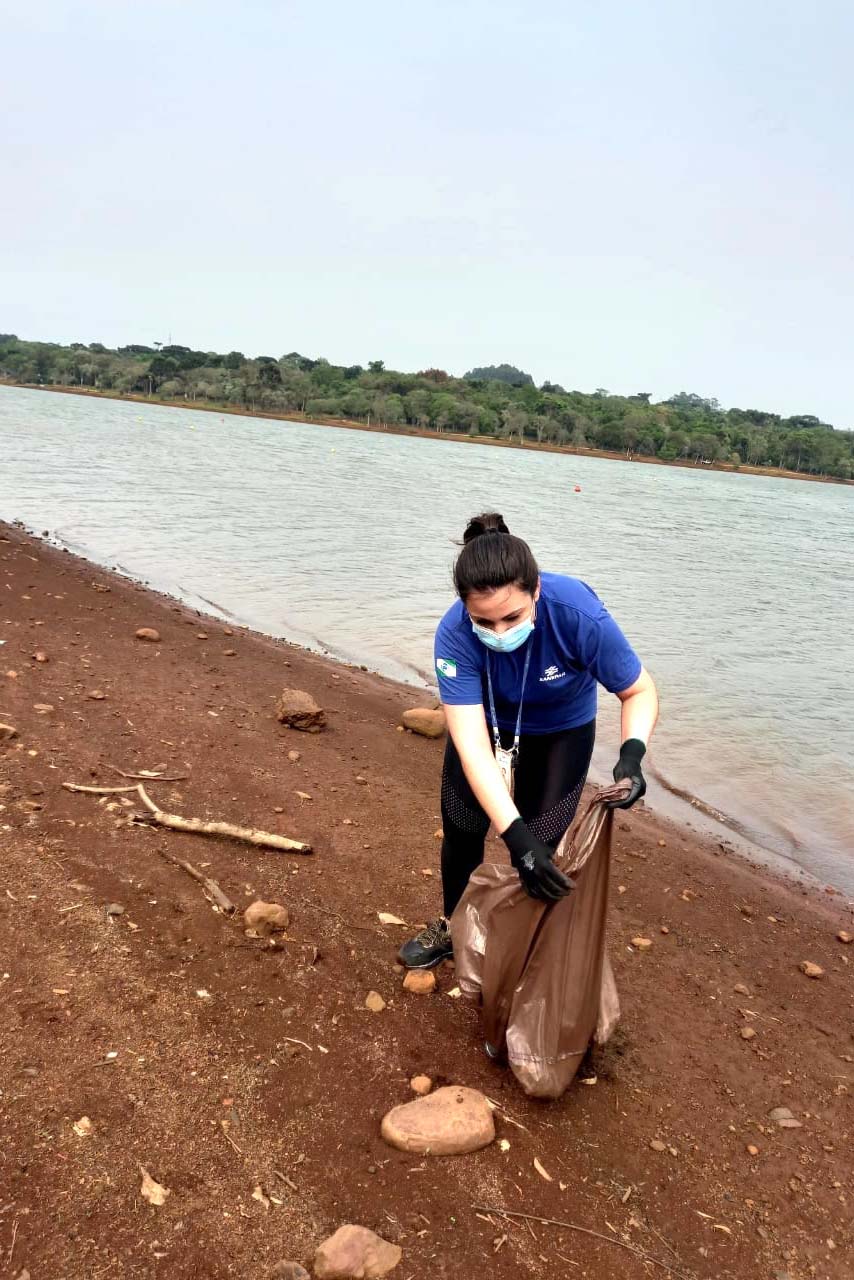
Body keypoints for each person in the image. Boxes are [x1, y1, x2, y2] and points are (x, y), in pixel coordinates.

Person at [399, 512, 659, 970]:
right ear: (464, 608)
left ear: (536, 591)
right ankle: (454, 925)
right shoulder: (454, 634)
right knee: (462, 826)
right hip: (490, 729)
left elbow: (638, 690)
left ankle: (519, 942)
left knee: (540, 848)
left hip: (561, 730)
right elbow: (472, 747)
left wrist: (632, 754)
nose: (500, 633)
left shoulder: (578, 615)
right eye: (485, 622)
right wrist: (512, 836)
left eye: (513, 617)